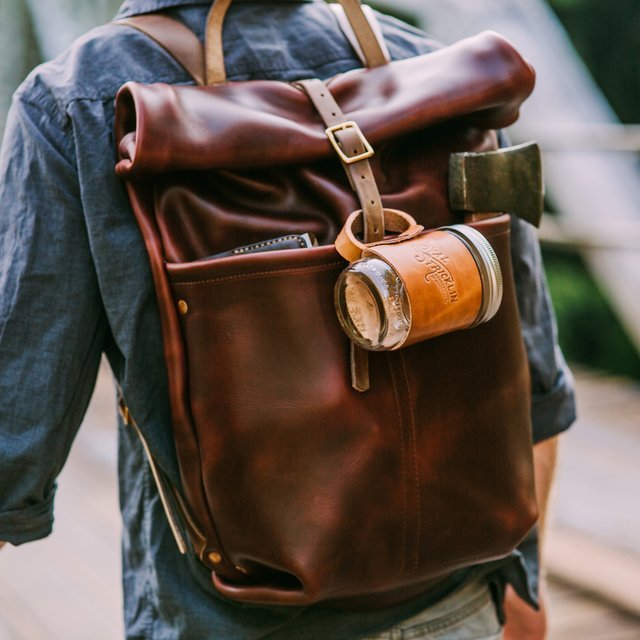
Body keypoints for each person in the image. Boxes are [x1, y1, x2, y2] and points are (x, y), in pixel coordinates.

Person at [0, 1, 575, 638]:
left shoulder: (77, 100)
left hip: (232, 620)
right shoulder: (430, 67)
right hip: (457, 605)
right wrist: (525, 579)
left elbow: (13, 437)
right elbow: (536, 379)